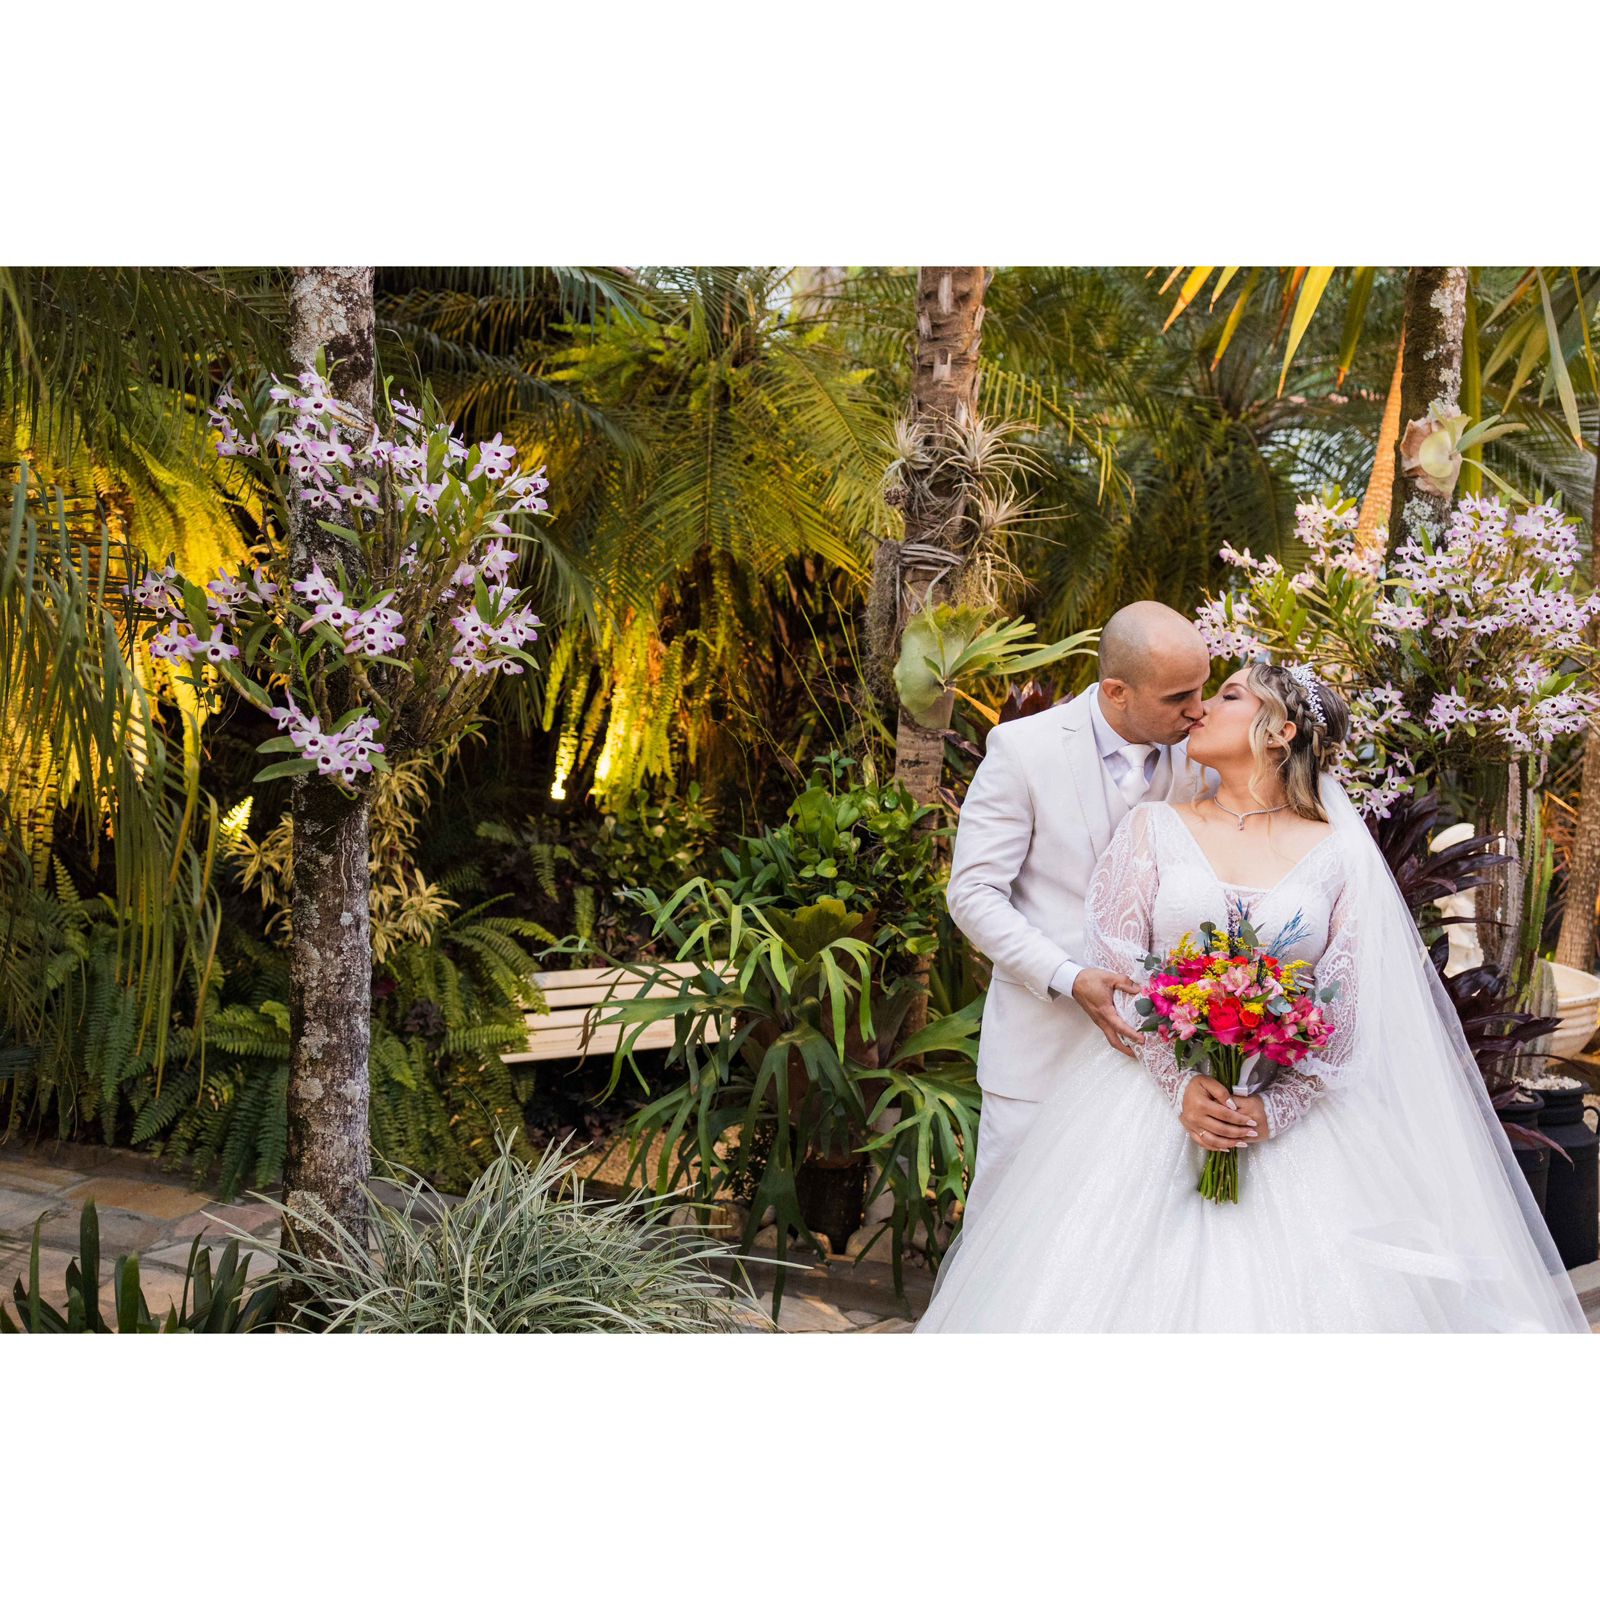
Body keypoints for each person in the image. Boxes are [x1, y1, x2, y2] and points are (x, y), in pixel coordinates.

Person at [918, 661, 1588, 1333]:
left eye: (1229, 694)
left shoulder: (1340, 854)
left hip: (1288, 1117)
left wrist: (1272, 1109)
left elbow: (1349, 1010)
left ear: (1280, 732)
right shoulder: (1152, 826)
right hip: (1142, 1101)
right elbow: (1117, 972)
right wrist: (1182, 1084)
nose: (1202, 708)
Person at [945, 601, 1215, 1232]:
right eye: (1179, 697)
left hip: (1160, 1066)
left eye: (1203, 688)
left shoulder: (1206, 760)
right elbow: (974, 894)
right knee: (1008, 1233)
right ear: (1117, 691)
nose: (1198, 710)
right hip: (1041, 1051)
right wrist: (1068, 976)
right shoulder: (1023, 749)